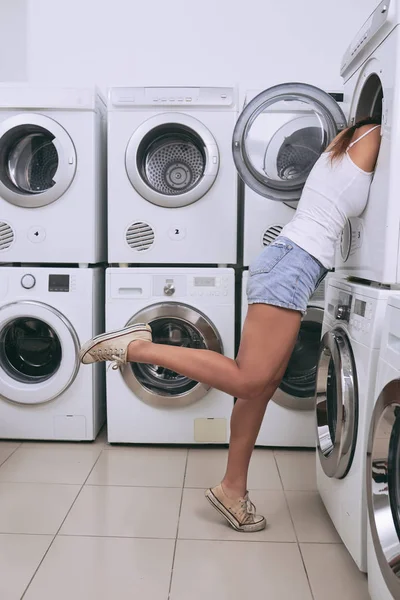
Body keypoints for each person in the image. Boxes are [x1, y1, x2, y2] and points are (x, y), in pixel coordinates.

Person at [79, 117, 382, 533]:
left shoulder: (349, 144)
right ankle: (136, 347)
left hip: (292, 263)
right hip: (292, 266)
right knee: (249, 382)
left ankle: (231, 491)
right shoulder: (377, 136)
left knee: (259, 389)